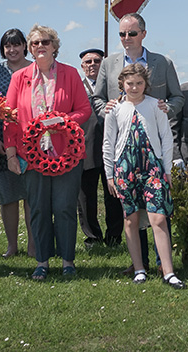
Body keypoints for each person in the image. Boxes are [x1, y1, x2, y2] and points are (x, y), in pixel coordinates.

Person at [92, 12, 184, 269]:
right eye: (122, 34)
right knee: (132, 214)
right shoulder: (109, 64)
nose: (126, 38)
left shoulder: (162, 62)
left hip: (153, 149)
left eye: (131, 33)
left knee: (157, 212)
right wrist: (106, 108)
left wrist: (167, 108)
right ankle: (138, 263)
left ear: (143, 33)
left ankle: (162, 263)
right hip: (124, 151)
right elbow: (97, 99)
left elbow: (178, 98)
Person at [3, 25, 91, 280]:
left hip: (66, 154)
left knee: (64, 208)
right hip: (31, 156)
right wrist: (10, 154)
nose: (39, 46)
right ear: (29, 49)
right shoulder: (19, 77)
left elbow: (84, 110)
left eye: (45, 42)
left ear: (55, 46)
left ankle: (67, 261)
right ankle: (41, 261)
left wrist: (61, 121)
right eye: (34, 43)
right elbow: (9, 118)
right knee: (39, 209)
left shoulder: (70, 74)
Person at [103, 64, 186, 289]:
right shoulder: (115, 109)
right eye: (130, 83)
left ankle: (169, 272)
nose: (135, 87)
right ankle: (139, 268)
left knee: (158, 218)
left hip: (153, 168)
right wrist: (109, 174)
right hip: (124, 168)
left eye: (139, 83)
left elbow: (166, 138)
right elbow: (108, 142)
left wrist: (167, 170)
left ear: (145, 85)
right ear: (122, 84)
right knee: (130, 219)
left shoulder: (155, 106)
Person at [0, 28, 34, 258]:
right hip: (0, 140)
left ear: (25, 45)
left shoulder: (36, 69)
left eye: (16, 45)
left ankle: (34, 246)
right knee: (8, 196)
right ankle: (12, 246)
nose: (12, 50)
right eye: (7, 46)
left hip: (31, 139)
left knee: (31, 196)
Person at [77, 47, 123, 249]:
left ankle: (114, 237)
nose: (92, 65)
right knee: (86, 197)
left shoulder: (113, 88)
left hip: (111, 147)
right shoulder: (77, 87)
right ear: (82, 66)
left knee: (113, 194)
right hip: (85, 147)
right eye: (88, 62)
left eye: (97, 61)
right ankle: (92, 237)